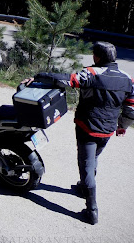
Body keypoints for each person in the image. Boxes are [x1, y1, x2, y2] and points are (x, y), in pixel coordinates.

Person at [26, 41, 134, 225]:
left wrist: (38, 76)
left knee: (86, 165)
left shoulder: (92, 73)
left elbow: (65, 79)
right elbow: (131, 108)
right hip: (108, 130)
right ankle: (83, 187)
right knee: (93, 159)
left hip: (88, 127)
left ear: (98, 57)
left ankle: (92, 209)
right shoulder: (128, 78)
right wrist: (122, 125)